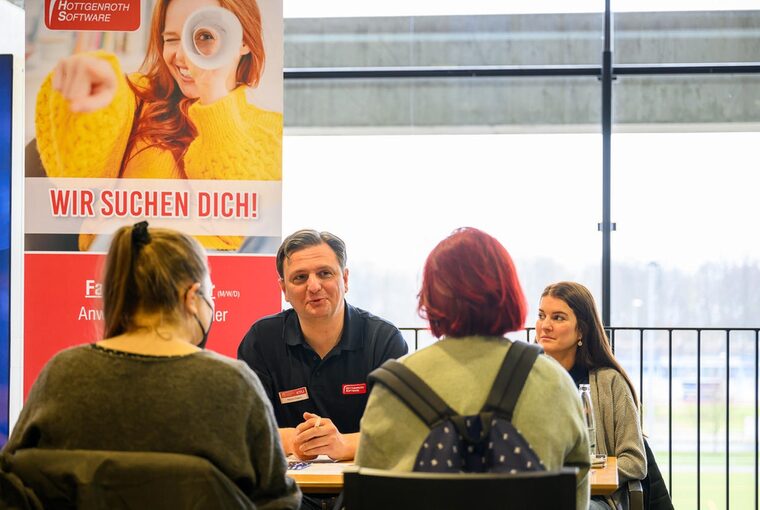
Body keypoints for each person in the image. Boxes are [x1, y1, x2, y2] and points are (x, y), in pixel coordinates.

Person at [2, 222, 300, 509]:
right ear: (191, 297)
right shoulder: (233, 384)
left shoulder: (62, 374)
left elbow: (15, 486)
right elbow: (278, 501)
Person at [356, 227, 591, 510]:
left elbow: (369, 496)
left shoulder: (390, 389)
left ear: (429, 297)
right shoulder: (556, 383)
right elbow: (576, 497)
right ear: (510, 292)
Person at [35, 0, 281, 251]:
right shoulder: (137, 97)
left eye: (205, 36)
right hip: (126, 257)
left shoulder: (271, 130)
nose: (183, 56)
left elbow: (236, 227)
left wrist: (213, 90)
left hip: (212, 272)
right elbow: (76, 175)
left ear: (243, 42)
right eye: (172, 39)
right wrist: (89, 92)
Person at [238, 229, 409, 463]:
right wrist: (293, 441)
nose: (314, 286)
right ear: (284, 290)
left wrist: (343, 444)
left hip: (361, 489)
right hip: (290, 491)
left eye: (325, 273)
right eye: (300, 277)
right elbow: (245, 430)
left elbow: (401, 432)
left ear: (345, 279)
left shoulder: (383, 339)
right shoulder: (261, 340)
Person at [536, 281, 647, 510]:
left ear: (581, 331)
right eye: (541, 315)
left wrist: (585, 476)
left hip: (594, 499)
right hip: (538, 493)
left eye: (558, 318)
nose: (544, 326)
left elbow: (635, 461)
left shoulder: (609, 382)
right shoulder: (526, 380)